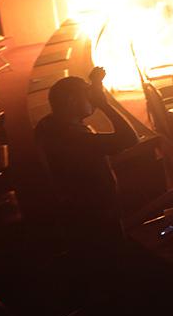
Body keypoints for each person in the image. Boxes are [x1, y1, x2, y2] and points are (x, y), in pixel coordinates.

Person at [34, 67, 138, 242]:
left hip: (75, 211)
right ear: (71, 101)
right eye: (87, 95)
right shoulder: (74, 138)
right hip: (96, 218)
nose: (93, 100)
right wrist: (105, 104)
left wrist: (94, 85)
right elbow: (129, 139)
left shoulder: (47, 125)